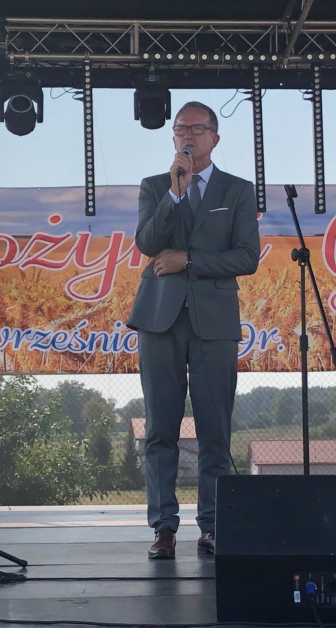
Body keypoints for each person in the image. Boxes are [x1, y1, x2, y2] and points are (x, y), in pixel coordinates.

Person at [127, 101, 261, 559]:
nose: (188, 135)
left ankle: (214, 524)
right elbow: (147, 243)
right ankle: (163, 526)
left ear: (215, 138)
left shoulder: (237, 190)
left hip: (214, 323)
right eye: (180, 129)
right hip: (159, 320)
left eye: (197, 128)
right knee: (160, 429)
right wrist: (175, 193)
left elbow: (247, 256)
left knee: (214, 430)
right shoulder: (155, 186)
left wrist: (188, 261)